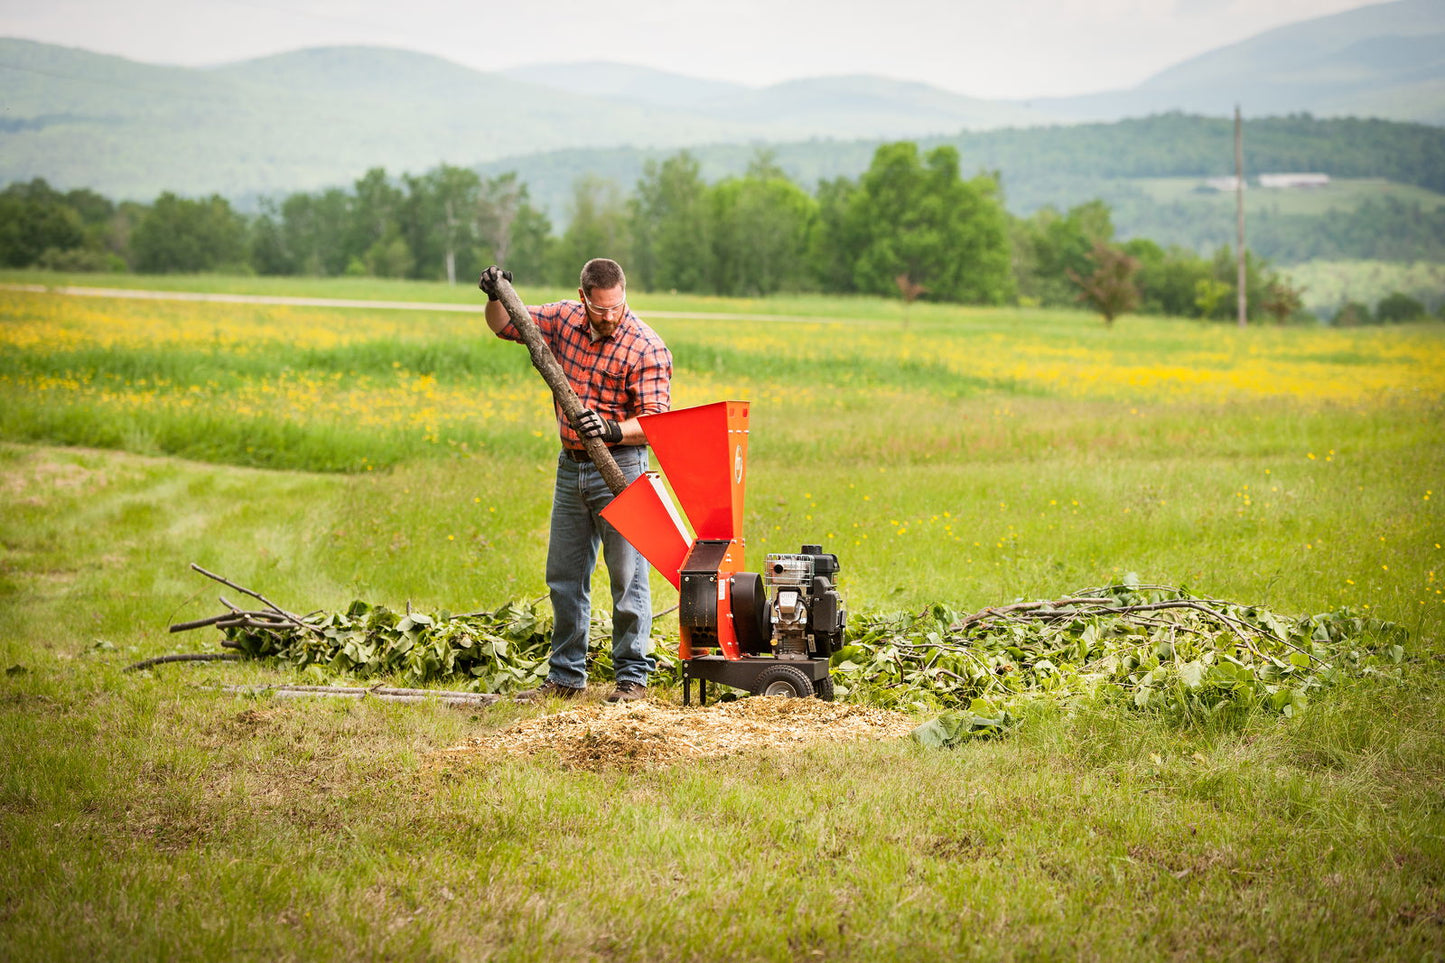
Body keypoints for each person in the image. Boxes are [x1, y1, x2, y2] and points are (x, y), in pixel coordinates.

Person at [478, 258, 672, 703]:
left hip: (621, 466)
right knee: (564, 576)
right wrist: (494, 295)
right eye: (601, 309)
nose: (610, 316)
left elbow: (658, 423)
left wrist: (612, 429)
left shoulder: (646, 346)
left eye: (617, 307)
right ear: (584, 297)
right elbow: (505, 324)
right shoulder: (564, 317)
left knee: (628, 578)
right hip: (571, 467)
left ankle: (632, 678)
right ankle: (565, 677)